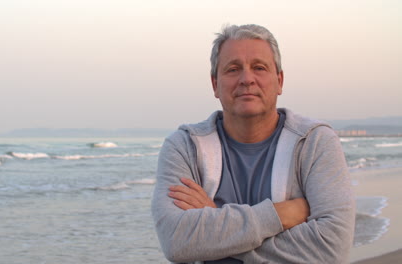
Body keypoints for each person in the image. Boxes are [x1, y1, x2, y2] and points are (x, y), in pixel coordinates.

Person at [151, 24, 355, 263]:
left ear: (279, 81)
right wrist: (280, 216)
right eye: (233, 69)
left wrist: (216, 229)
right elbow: (176, 242)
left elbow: (332, 249)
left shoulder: (314, 142)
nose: (247, 79)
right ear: (215, 84)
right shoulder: (184, 146)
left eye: (259, 67)